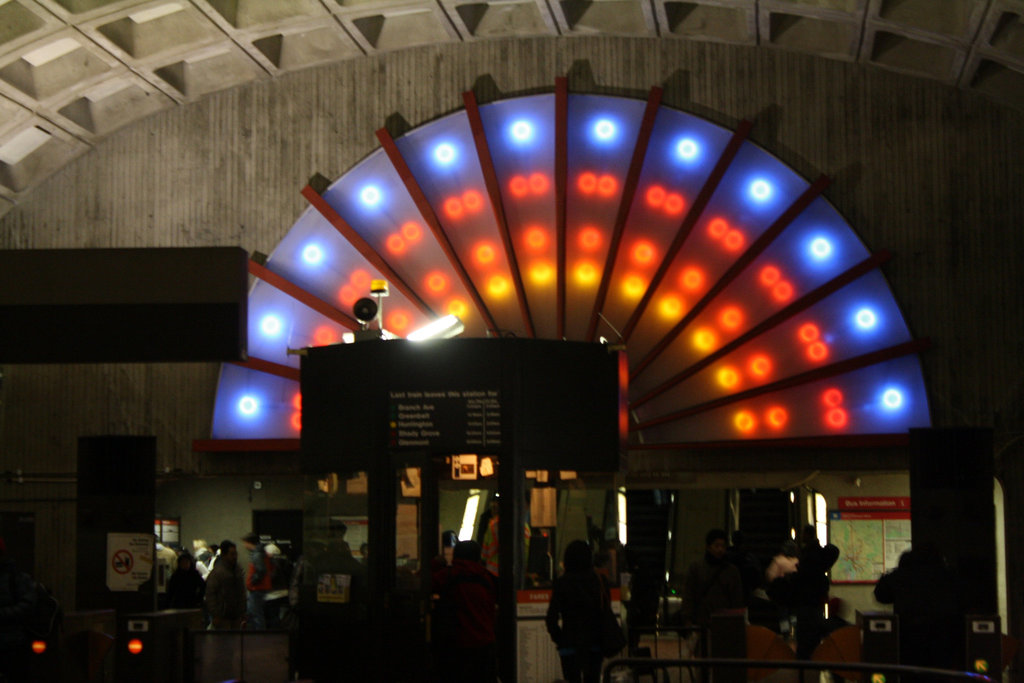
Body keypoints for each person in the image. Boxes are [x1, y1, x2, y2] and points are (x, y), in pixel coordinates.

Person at [874, 545, 962, 671]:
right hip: (943, 638)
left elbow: (881, 595)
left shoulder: (901, 575)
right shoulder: (948, 575)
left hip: (908, 638)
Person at [431, 540, 498, 682]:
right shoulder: (487, 578)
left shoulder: (447, 575)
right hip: (484, 643)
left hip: (457, 644)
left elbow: (427, 584)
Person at [546, 540, 606, 683]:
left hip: (569, 644)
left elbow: (551, 618)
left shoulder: (562, 583)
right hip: (594, 643)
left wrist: (560, 639)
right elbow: (604, 612)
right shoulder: (599, 581)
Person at [682, 529, 744, 633]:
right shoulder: (696, 568)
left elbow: (737, 598)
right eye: (716, 546)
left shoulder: (732, 571)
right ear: (708, 547)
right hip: (702, 622)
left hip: (723, 623)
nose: (720, 550)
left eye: (723, 546)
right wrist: (687, 619)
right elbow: (689, 594)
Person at [791, 525, 839, 660]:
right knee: (814, 632)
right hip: (817, 599)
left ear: (807, 534)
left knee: (805, 632)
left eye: (802, 533)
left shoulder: (808, 554)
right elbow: (834, 551)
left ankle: (804, 660)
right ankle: (814, 657)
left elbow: (804, 575)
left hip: (806, 599)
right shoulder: (819, 553)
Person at [0, 536, 36, 682]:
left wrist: (2, 614)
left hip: (12, 642)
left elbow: (27, 605)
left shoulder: (15, 577)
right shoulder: (17, 577)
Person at [205, 540, 246, 629]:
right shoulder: (217, 573)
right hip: (222, 616)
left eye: (235, 554)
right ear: (224, 555)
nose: (235, 557)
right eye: (232, 554)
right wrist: (215, 614)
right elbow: (210, 594)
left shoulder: (238, 570)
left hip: (236, 615)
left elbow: (242, 592)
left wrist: (242, 611)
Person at [241, 532, 274, 630]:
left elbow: (261, 570)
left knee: (256, 614)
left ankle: (259, 636)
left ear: (248, 542)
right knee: (255, 613)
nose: (244, 545)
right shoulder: (261, 553)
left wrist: (252, 582)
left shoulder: (257, 554)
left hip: (257, 588)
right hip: (260, 587)